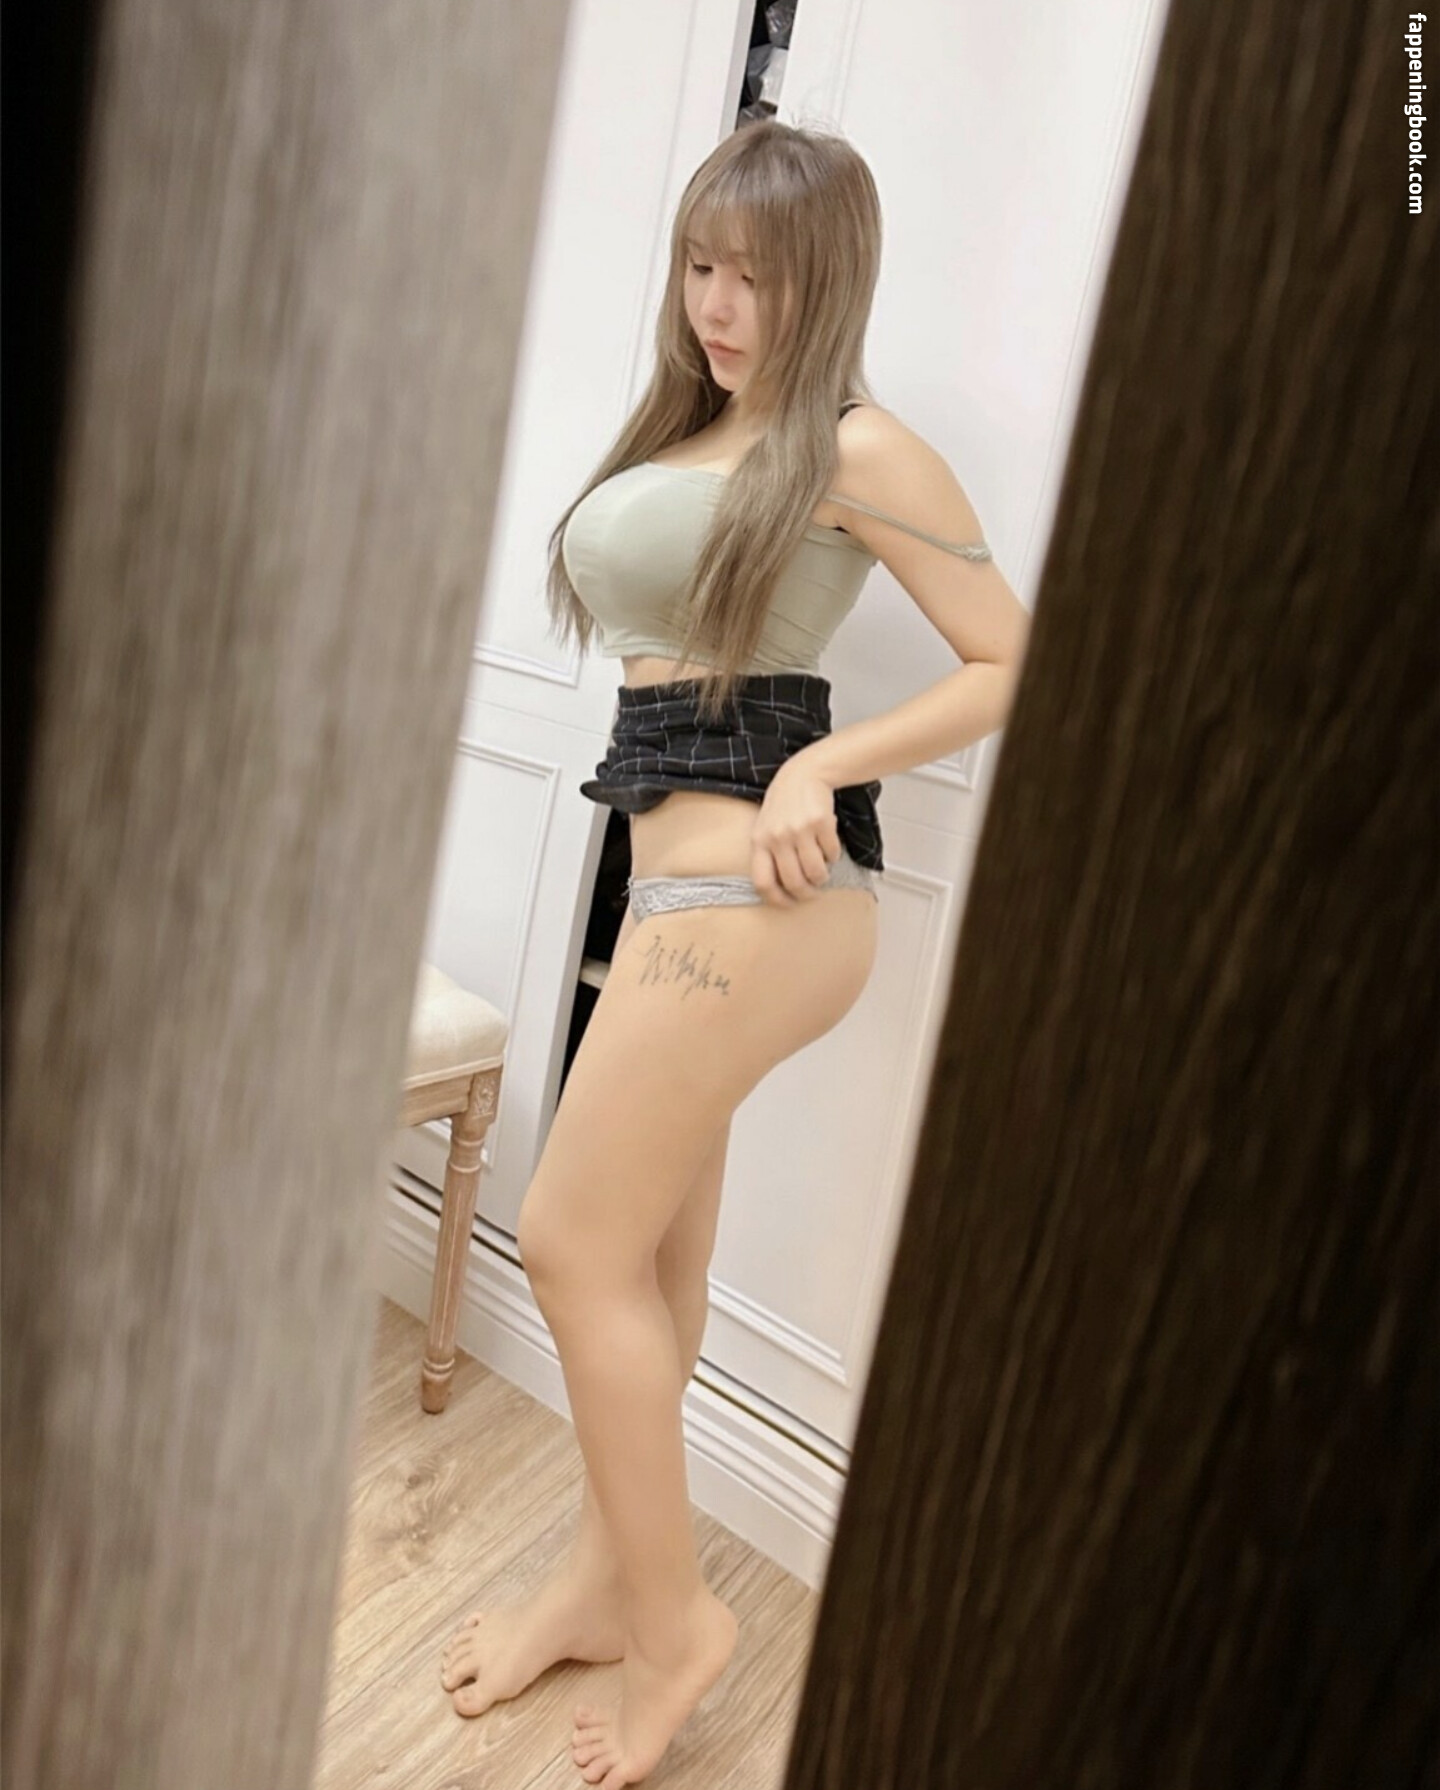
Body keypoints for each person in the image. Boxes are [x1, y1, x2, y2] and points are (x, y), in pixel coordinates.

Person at [439, 118, 1030, 1790]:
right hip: (672, 904)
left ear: (825, 279)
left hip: (762, 911)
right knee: (648, 1261)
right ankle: (600, 1583)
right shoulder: (694, 429)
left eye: (756, 277)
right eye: (702, 264)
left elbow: (1012, 657)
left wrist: (823, 764)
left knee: (566, 1238)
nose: (717, 303)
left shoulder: (858, 446)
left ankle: (675, 1620)